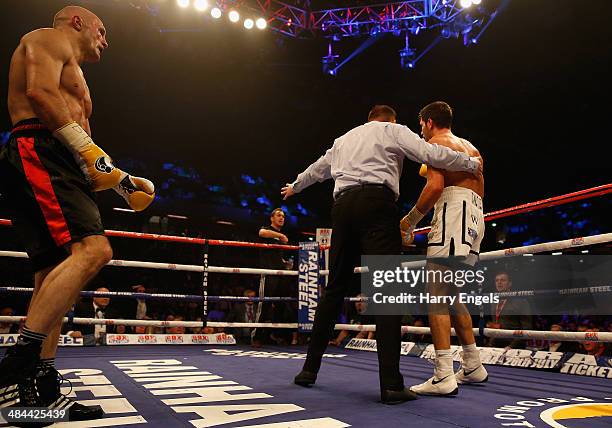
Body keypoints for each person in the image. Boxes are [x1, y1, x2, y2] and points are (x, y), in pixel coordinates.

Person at [0, 6, 154, 420]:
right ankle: (20, 358)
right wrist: (87, 153)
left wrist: (121, 182)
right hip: (40, 146)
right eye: (102, 31)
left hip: (61, 156)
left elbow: (88, 150)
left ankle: (39, 388)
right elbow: (40, 93)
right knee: (94, 251)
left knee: (52, 273)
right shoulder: (48, 38)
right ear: (78, 22)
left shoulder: (79, 77)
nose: (105, 41)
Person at [282, 104, 482, 404]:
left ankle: (308, 371)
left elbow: (317, 169)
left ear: (368, 119)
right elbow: (431, 155)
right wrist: (468, 163)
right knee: (388, 290)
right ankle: (390, 385)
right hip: (378, 206)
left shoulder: (343, 139)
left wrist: (295, 187)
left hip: (343, 208)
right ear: (392, 119)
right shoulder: (393, 131)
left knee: (334, 289)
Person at [401, 101, 488, 396]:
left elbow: (436, 187)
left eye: (420, 124)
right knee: (452, 294)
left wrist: (408, 222)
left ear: (427, 122)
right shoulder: (470, 147)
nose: (420, 130)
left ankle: (442, 375)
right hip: (475, 215)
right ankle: (474, 365)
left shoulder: (437, 143)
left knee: (435, 293)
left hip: (454, 211)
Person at [487, 271, 533, 349]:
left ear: (509, 284)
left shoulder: (521, 301)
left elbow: (527, 328)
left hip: (514, 347)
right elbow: (497, 323)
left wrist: (512, 346)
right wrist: (490, 343)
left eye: (503, 280)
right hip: (496, 345)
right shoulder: (494, 301)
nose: (499, 282)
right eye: (497, 280)